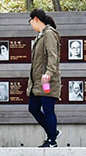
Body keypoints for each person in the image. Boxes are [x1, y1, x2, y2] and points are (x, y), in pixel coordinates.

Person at [26, 9, 62, 148]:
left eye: (30, 21)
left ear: (35, 19)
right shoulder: (41, 36)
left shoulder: (49, 34)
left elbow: (53, 56)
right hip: (37, 82)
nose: (30, 24)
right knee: (33, 108)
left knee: (48, 110)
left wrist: (49, 73)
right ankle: (53, 132)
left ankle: (52, 140)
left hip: (47, 81)